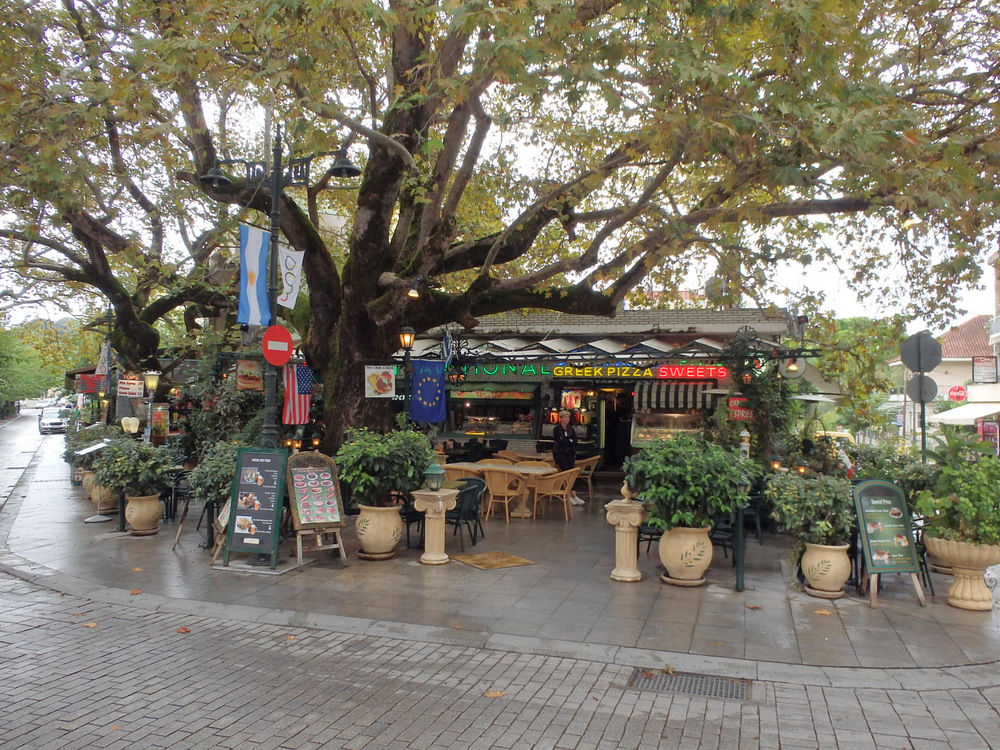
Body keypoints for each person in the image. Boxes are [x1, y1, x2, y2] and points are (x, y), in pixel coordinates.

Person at [552, 410, 583, 506]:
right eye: (564, 417)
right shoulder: (557, 429)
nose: (566, 419)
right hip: (560, 453)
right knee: (567, 472)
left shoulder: (571, 429)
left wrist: (567, 441)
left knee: (571, 472)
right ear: (561, 419)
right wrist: (568, 441)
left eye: (568, 417)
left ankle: (573, 495)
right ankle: (569, 495)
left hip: (569, 453)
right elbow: (560, 441)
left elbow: (574, 442)